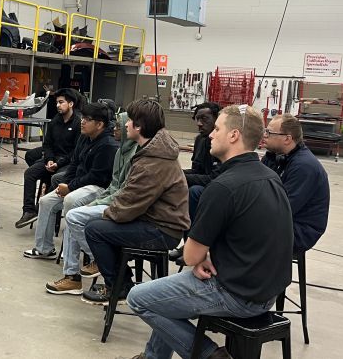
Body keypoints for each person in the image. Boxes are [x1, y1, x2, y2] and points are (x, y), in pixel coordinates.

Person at [125, 105, 293, 359]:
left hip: (237, 294)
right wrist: (209, 254)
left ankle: (209, 355)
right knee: (166, 298)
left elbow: (190, 256)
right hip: (267, 292)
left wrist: (200, 256)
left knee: (138, 298)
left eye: (217, 128)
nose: (211, 135)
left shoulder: (223, 187)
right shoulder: (270, 177)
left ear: (234, 135)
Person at [81, 99, 189, 304]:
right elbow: (129, 197)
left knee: (94, 229)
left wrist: (105, 213)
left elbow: (128, 205)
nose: (125, 125)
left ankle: (118, 287)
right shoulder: (151, 150)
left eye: (129, 120)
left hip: (163, 230)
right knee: (102, 226)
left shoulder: (152, 161)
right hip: (155, 221)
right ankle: (122, 281)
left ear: (139, 126)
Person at [45, 109, 137, 295]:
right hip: (110, 198)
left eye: (120, 125)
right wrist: (89, 200)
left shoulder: (127, 151)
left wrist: (91, 199)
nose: (115, 128)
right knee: (68, 211)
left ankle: (101, 261)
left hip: (124, 206)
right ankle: (69, 272)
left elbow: (120, 189)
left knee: (73, 213)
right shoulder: (120, 151)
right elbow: (113, 185)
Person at [22, 102, 117, 259]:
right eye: (83, 117)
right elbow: (74, 163)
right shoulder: (84, 137)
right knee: (46, 201)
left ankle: (72, 255)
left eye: (87, 119)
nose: (82, 121)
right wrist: (65, 185)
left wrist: (70, 187)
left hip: (98, 189)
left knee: (71, 200)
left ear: (99, 124)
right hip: (79, 185)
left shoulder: (108, 145)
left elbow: (96, 177)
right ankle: (44, 249)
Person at [262, 113, 330, 253]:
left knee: (239, 231)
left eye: (269, 132)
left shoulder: (304, 167)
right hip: (283, 220)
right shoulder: (275, 157)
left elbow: (284, 208)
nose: (264, 135)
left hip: (299, 230)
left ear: (287, 139)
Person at [15, 88, 82, 229]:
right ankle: (29, 211)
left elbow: (76, 152)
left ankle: (42, 210)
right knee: (30, 173)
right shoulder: (55, 121)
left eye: (61, 102)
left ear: (71, 104)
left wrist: (58, 163)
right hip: (53, 159)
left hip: (67, 162)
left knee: (56, 178)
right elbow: (47, 144)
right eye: (57, 102)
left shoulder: (78, 123)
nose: (58, 105)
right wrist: (49, 159)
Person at [169, 102, 222, 262]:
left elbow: (214, 178)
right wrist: (174, 173)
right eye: (197, 119)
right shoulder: (200, 140)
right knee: (175, 186)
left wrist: (181, 177)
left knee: (193, 191)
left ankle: (195, 245)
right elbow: (196, 170)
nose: (199, 123)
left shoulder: (221, 143)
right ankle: (186, 242)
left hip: (219, 190)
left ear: (217, 119)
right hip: (204, 184)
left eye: (204, 119)